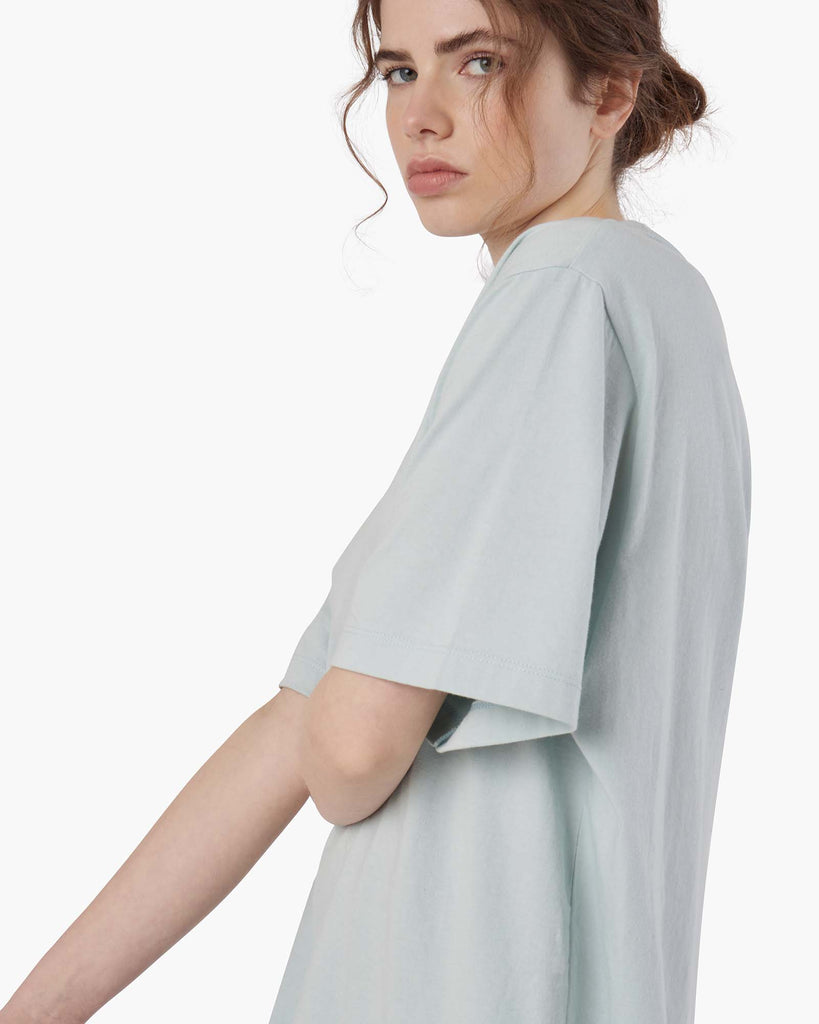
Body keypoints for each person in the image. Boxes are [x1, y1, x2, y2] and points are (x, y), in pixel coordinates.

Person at [0, 0, 751, 1021]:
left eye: (477, 63)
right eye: (399, 70)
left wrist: (351, 724)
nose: (418, 115)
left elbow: (349, 748)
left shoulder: (561, 293)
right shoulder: (662, 303)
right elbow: (295, 722)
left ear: (610, 92)